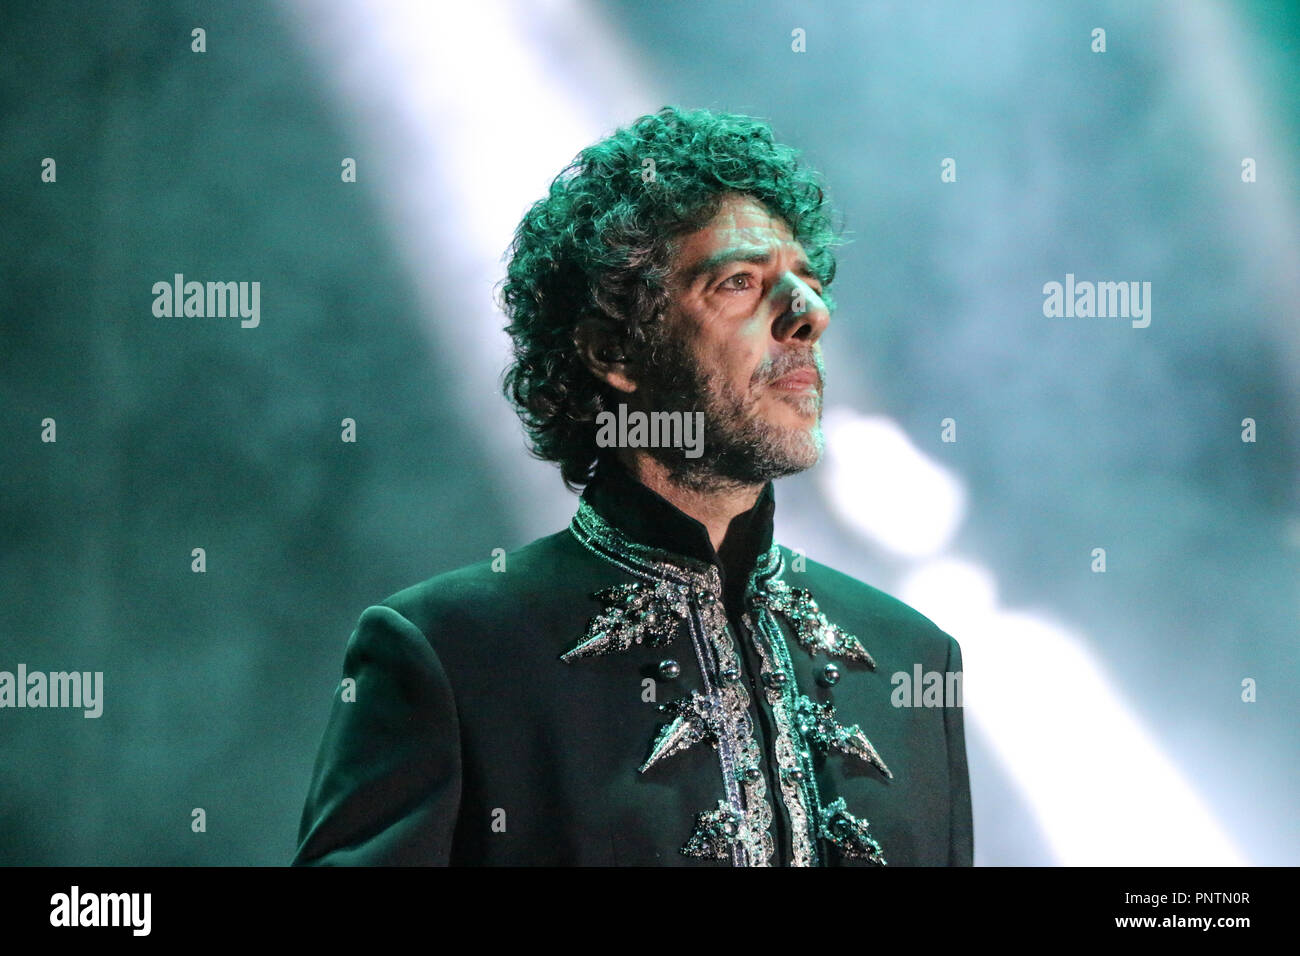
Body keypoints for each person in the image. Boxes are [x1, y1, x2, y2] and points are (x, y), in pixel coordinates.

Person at [292, 105, 973, 866]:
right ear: (616, 350)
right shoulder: (449, 655)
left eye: (808, 283)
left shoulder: (916, 656)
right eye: (741, 283)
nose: (807, 314)